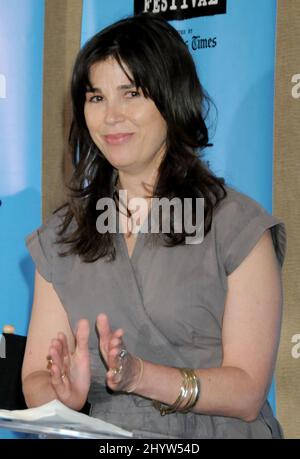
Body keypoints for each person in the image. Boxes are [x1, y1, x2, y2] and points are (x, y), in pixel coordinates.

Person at [21, 13, 286, 439]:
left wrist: (139, 375)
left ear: (171, 98)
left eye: (131, 93)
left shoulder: (235, 225)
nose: (110, 117)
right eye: (96, 97)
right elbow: (35, 374)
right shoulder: (63, 236)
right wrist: (59, 395)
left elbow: (248, 390)